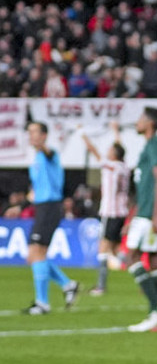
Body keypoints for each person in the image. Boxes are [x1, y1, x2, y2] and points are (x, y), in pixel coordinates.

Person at [126, 106, 157, 332]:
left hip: (151, 213)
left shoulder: (154, 145)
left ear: (149, 123)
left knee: (132, 256)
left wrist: (154, 215)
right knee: (154, 259)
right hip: (149, 211)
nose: (137, 122)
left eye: (140, 118)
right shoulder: (153, 145)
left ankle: (156, 310)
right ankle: (156, 311)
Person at [23, 122, 80, 315]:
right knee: (35, 255)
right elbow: (37, 189)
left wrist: (41, 145)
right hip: (42, 208)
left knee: (35, 253)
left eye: (34, 132)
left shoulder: (50, 154)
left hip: (51, 207)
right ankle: (67, 284)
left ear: (44, 135)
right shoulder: (37, 159)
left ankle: (43, 303)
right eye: (29, 132)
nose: (30, 135)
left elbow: (48, 153)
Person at [81, 123, 130, 296]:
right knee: (116, 250)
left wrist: (82, 134)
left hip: (111, 212)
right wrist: (116, 131)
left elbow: (94, 151)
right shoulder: (124, 166)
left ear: (114, 154)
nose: (108, 151)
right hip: (121, 212)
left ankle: (101, 287)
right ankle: (141, 272)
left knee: (102, 248)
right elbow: (120, 148)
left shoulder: (112, 166)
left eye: (110, 149)